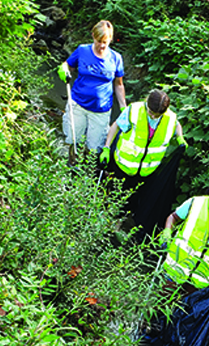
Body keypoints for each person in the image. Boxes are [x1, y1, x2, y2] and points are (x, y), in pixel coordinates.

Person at [99, 89, 186, 215]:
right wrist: (106, 148)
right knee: (115, 194)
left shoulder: (170, 118)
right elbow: (116, 126)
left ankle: (120, 222)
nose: (153, 117)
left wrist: (180, 137)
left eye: (157, 115)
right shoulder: (134, 111)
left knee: (132, 199)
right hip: (123, 165)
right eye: (151, 113)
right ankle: (107, 218)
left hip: (147, 170)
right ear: (147, 104)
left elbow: (177, 125)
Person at [57, 20, 126, 163]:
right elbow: (68, 65)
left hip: (100, 110)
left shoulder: (115, 58)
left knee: (95, 148)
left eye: (105, 42)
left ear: (110, 40)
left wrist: (123, 107)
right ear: (93, 36)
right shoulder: (82, 51)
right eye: (99, 41)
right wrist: (63, 69)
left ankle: (88, 176)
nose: (101, 45)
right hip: (78, 104)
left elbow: (118, 85)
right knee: (73, 139)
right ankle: (72, 168)